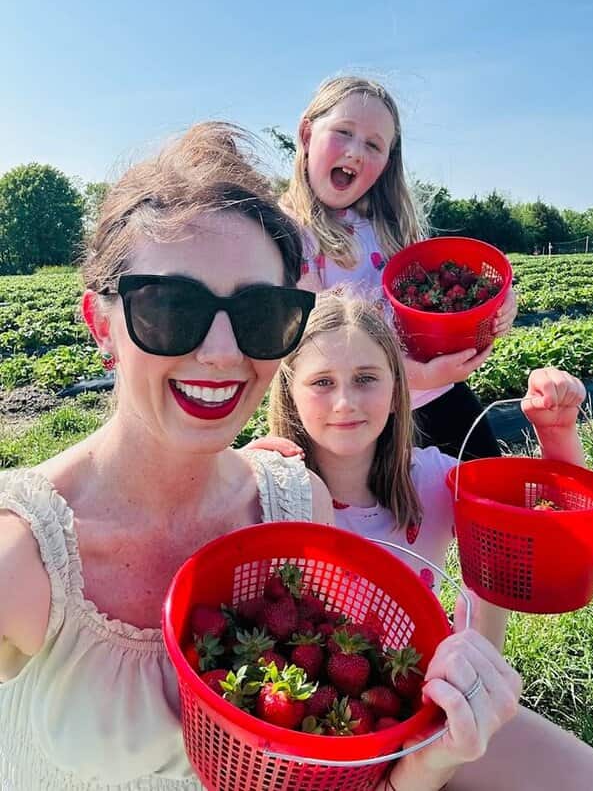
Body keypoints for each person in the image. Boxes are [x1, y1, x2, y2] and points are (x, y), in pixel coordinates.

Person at [0, 122, 558, 791]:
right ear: (100, 324)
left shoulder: (297, 507)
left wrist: (428, 761)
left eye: (262, 313)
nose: (221, 352)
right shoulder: (22, 559)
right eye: (170, 306)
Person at [259, 289, 593, 791]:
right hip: (314, 720)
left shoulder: (432, 479)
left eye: (366, 378)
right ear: (290, 391)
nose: (345, 402)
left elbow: (554, 537)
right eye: (322, 382)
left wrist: (557, 434)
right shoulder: (273, 487)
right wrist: (238, 477)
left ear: (396, 387)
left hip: (430, 699)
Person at [281, 75, 518, 462]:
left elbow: (443, 293)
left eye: (373, 145)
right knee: (398, 500)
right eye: (343, 132)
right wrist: (419, 376)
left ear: (386, 164)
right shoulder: (291, 234)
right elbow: (317, 341)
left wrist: (498, 302)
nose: (355, 152)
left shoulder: (388, 227)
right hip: (362, 418)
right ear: (307, 134)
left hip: (441, 397)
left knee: (484, 486)